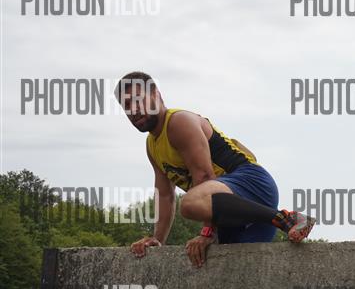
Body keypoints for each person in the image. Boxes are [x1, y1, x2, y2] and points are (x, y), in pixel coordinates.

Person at [116, 71, 314, 268]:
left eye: (137, 100)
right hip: (238, 212)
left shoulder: (178, 122)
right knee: (233, 271)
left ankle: (285, 218)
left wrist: (207, 233)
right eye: (126, 106)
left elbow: (204, 177)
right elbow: (165, 195)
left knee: (189, 203)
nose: (133, 109)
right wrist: (157, 240)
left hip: (252, 183)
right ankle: (280, 219)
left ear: (156, 94)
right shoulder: (152, 146)